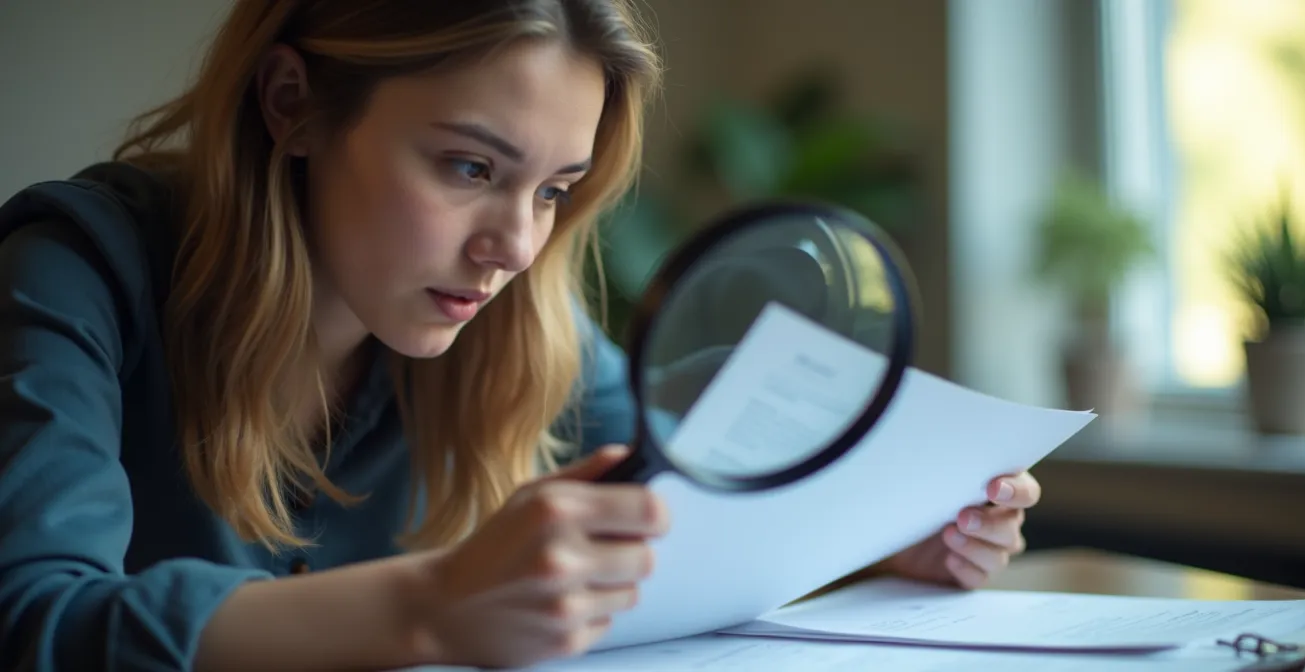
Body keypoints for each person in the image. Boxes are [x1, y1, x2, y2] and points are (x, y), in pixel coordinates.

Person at [0, 1, 1042, 670]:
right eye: (468, 168)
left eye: (554, 190)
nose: (512, 247)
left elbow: (691, 497)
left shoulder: (519, 328)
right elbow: (34, 621)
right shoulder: (73, 272)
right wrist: (432, 601)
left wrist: (879, 532)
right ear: (292, 104)